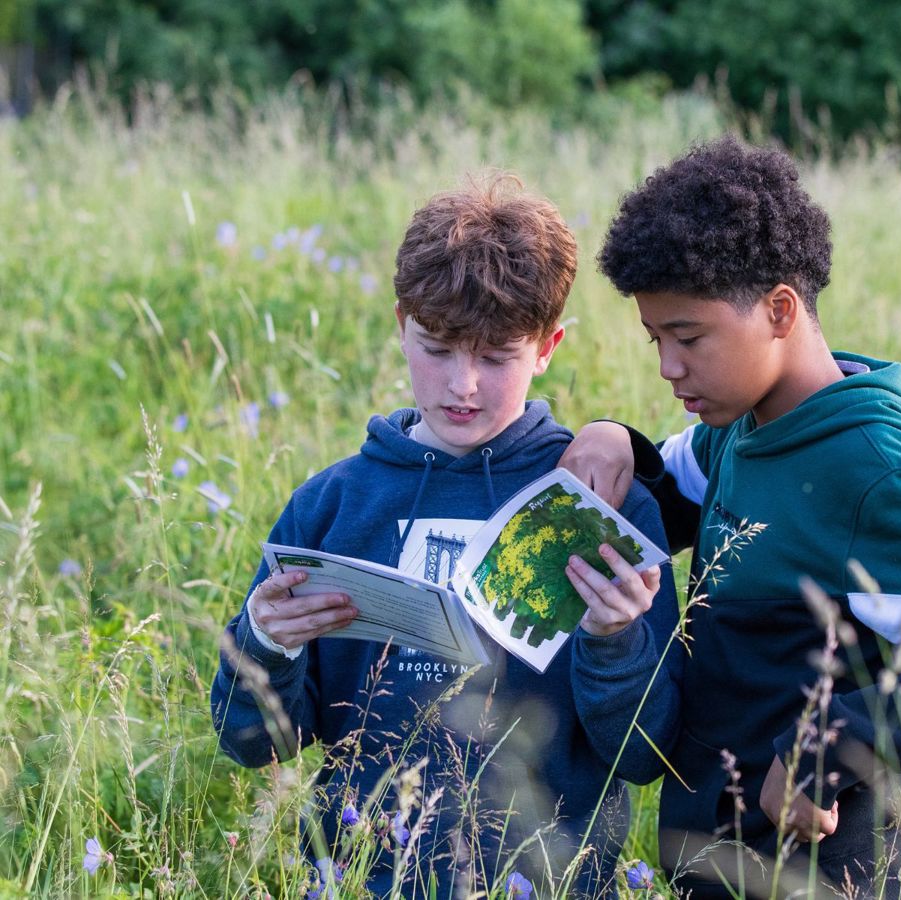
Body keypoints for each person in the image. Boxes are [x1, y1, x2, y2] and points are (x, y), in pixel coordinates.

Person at [559, 136, 901, 899]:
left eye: (688, 336)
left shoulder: (873, 468)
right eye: (655, 338)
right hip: (728, 858)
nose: (667, 367)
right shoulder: (743, 422)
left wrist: (826, 745)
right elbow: (664, 500)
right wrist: (611, 439)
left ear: (779, 310)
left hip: (846, 872)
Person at [210, 175, 680, 899]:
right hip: (361, 877)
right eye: (437, 348)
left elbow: (645, 754)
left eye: (496, 358)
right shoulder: (331, 505)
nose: (463, 385)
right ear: (401, 324)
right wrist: (265, 644)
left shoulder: (599, 504)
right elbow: (251, 743)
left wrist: (614, 637)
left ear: (549, 345)